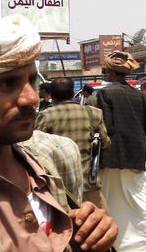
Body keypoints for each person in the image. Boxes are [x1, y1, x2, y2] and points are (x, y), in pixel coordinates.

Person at [0, 15, 117, 251]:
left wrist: (94, 234)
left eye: (31, 80)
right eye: (7, 84)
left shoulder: (53, 157)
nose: (32, 98)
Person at [94, 51, 146, 251]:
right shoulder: (140, 96)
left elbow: (107, 127)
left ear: (110, 72)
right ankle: (145, 245)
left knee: (111, 201)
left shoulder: (105, 93)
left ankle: (117, 244)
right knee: (140, 201)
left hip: (112, 156)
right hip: (137, 156)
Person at [36, 77, 111, 208]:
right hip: (89, 183)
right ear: (73, 93)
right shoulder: (93, 113)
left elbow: (35, 150)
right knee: (98, 224)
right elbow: (105, 144)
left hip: (58, 188)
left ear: (52, 95)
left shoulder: (46, 116)